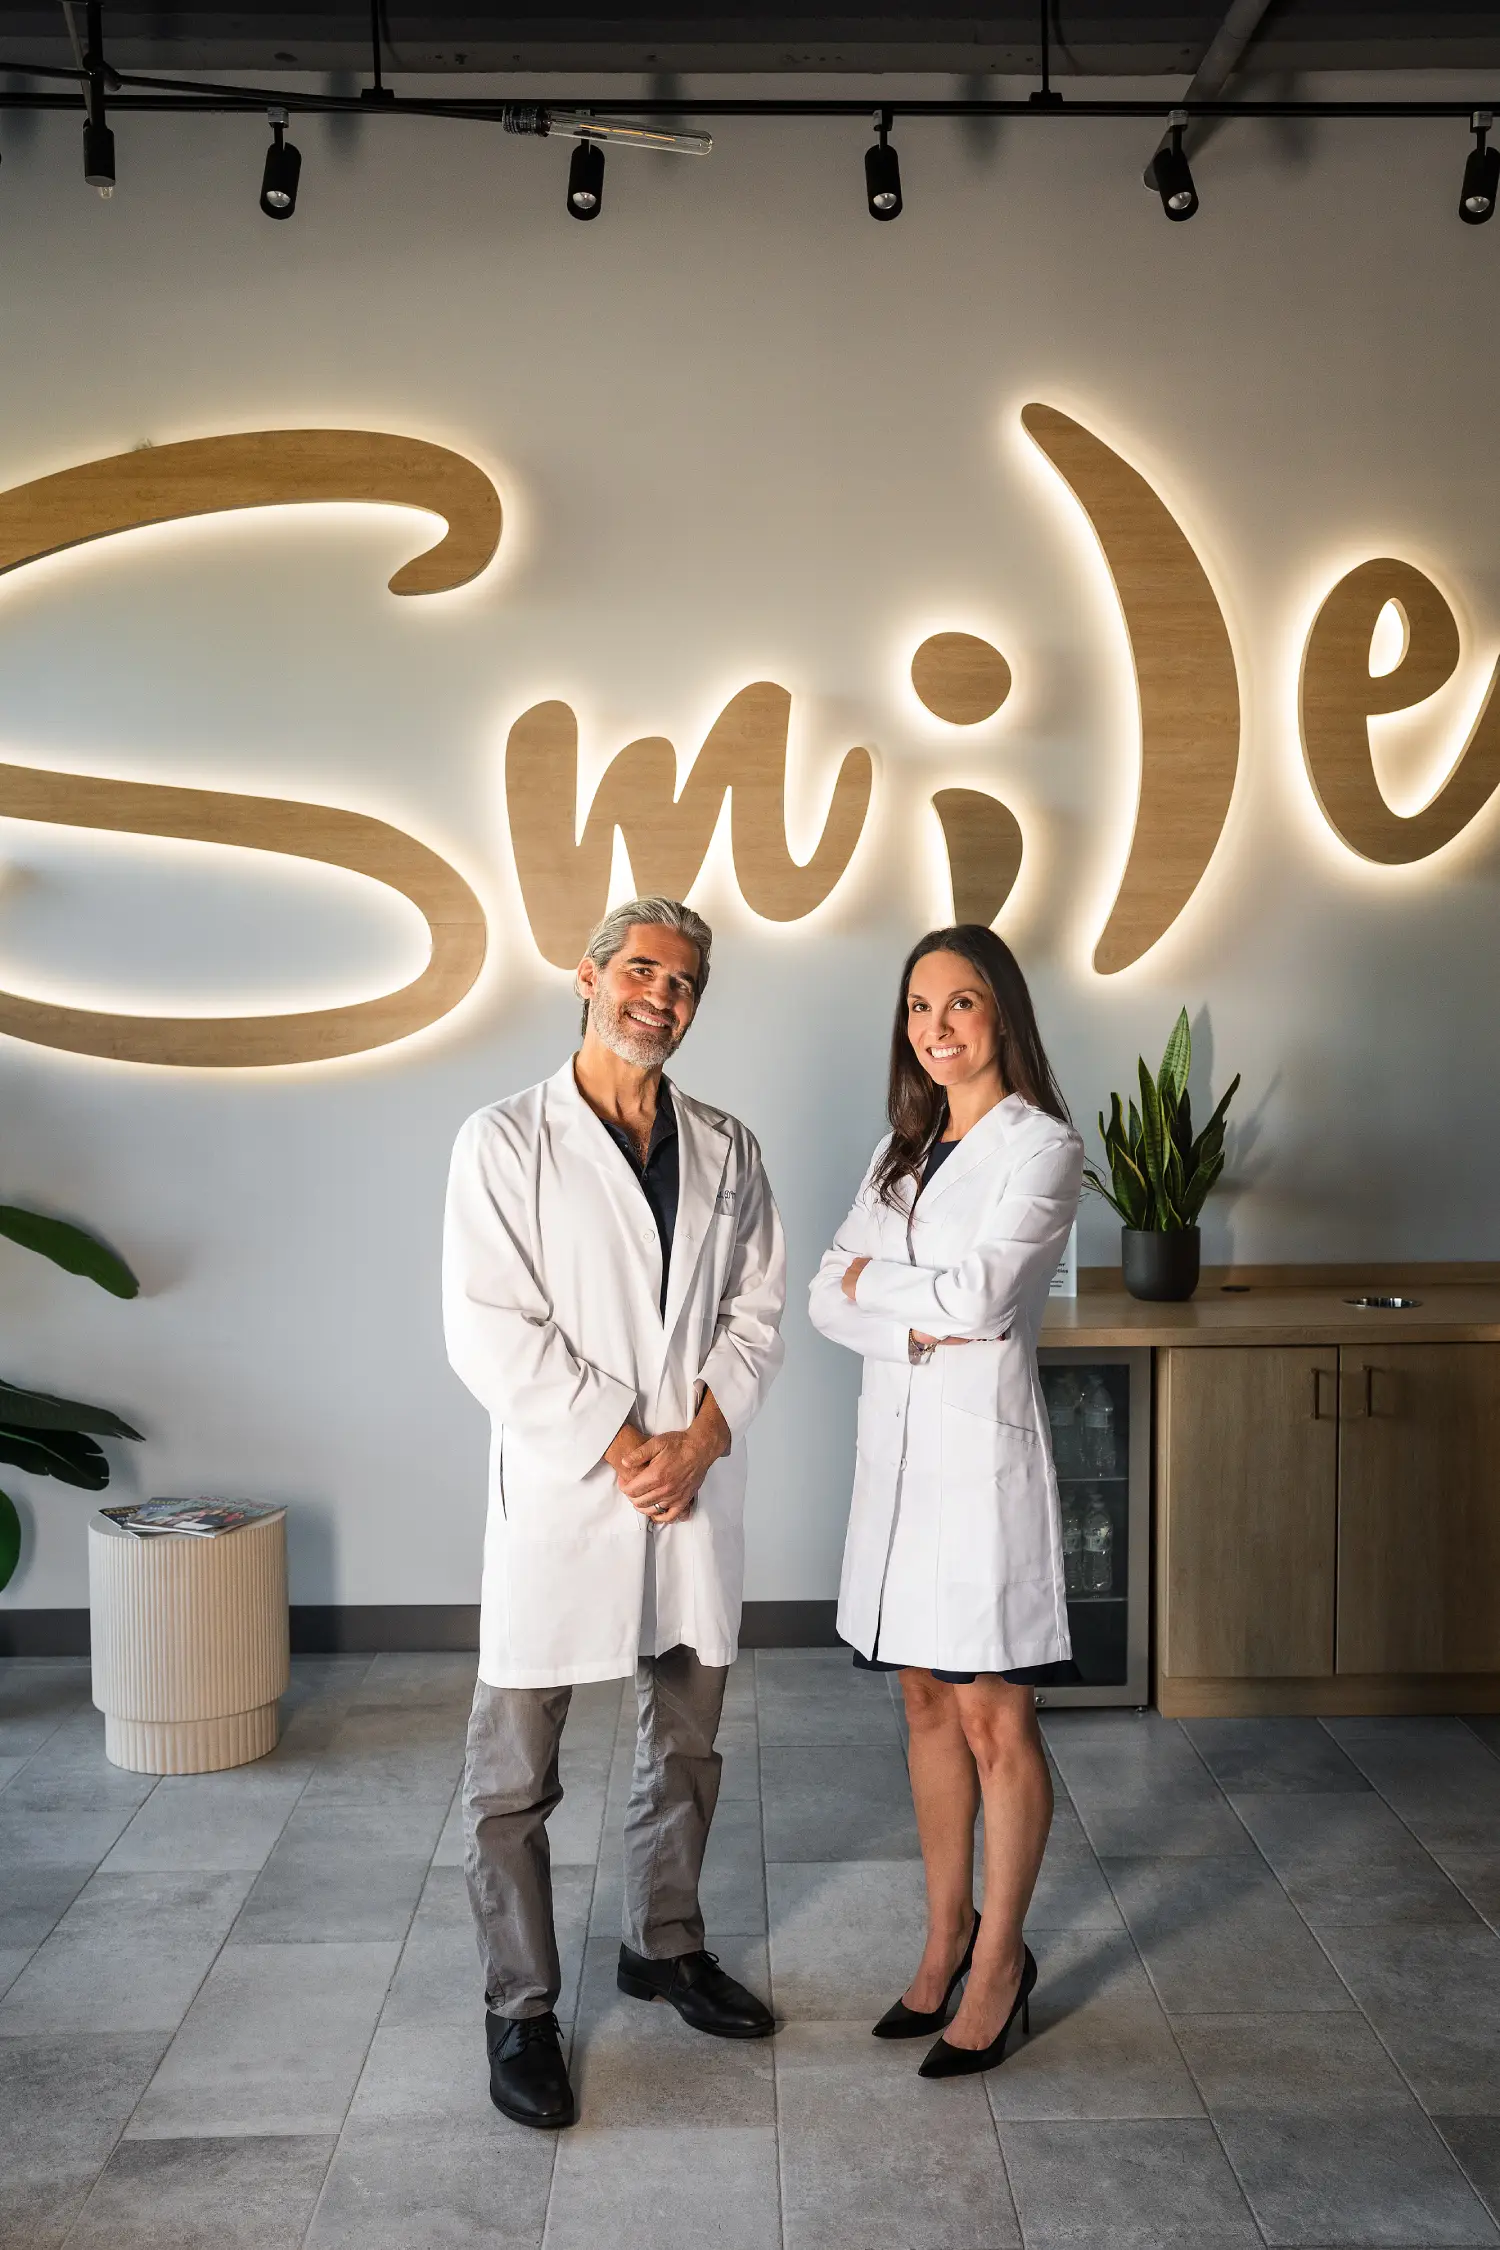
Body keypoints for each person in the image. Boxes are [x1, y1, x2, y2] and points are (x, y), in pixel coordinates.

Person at [444, 896, 786, 2131]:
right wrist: (628, 1443)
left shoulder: (728, 1147)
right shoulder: (504, 1141)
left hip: (690, 1484)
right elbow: (491, 1327)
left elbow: (757, 1310)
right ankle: (521, 2007)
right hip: (567, 1487)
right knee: (513, 1777)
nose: (661, 996)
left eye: (683, 982)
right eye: (641, 970)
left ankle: (665, 1945)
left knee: (687, 1738)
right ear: (589, 979)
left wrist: (699, 1441)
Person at [808, 924, 1083, 2080]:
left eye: (960, 1003)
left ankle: (1002, 1963)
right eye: (919, 1008)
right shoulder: (900, 1149)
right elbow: (823, 1298)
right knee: (923, 1701)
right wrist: (904, 1312)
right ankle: (944, 1940)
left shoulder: (1043, 1148)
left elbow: (981, 1301)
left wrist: (881, 1285)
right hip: (898, 1469)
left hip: (978, 1475)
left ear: (1001, 1011)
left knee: (993, 1722)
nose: (936, 1028)